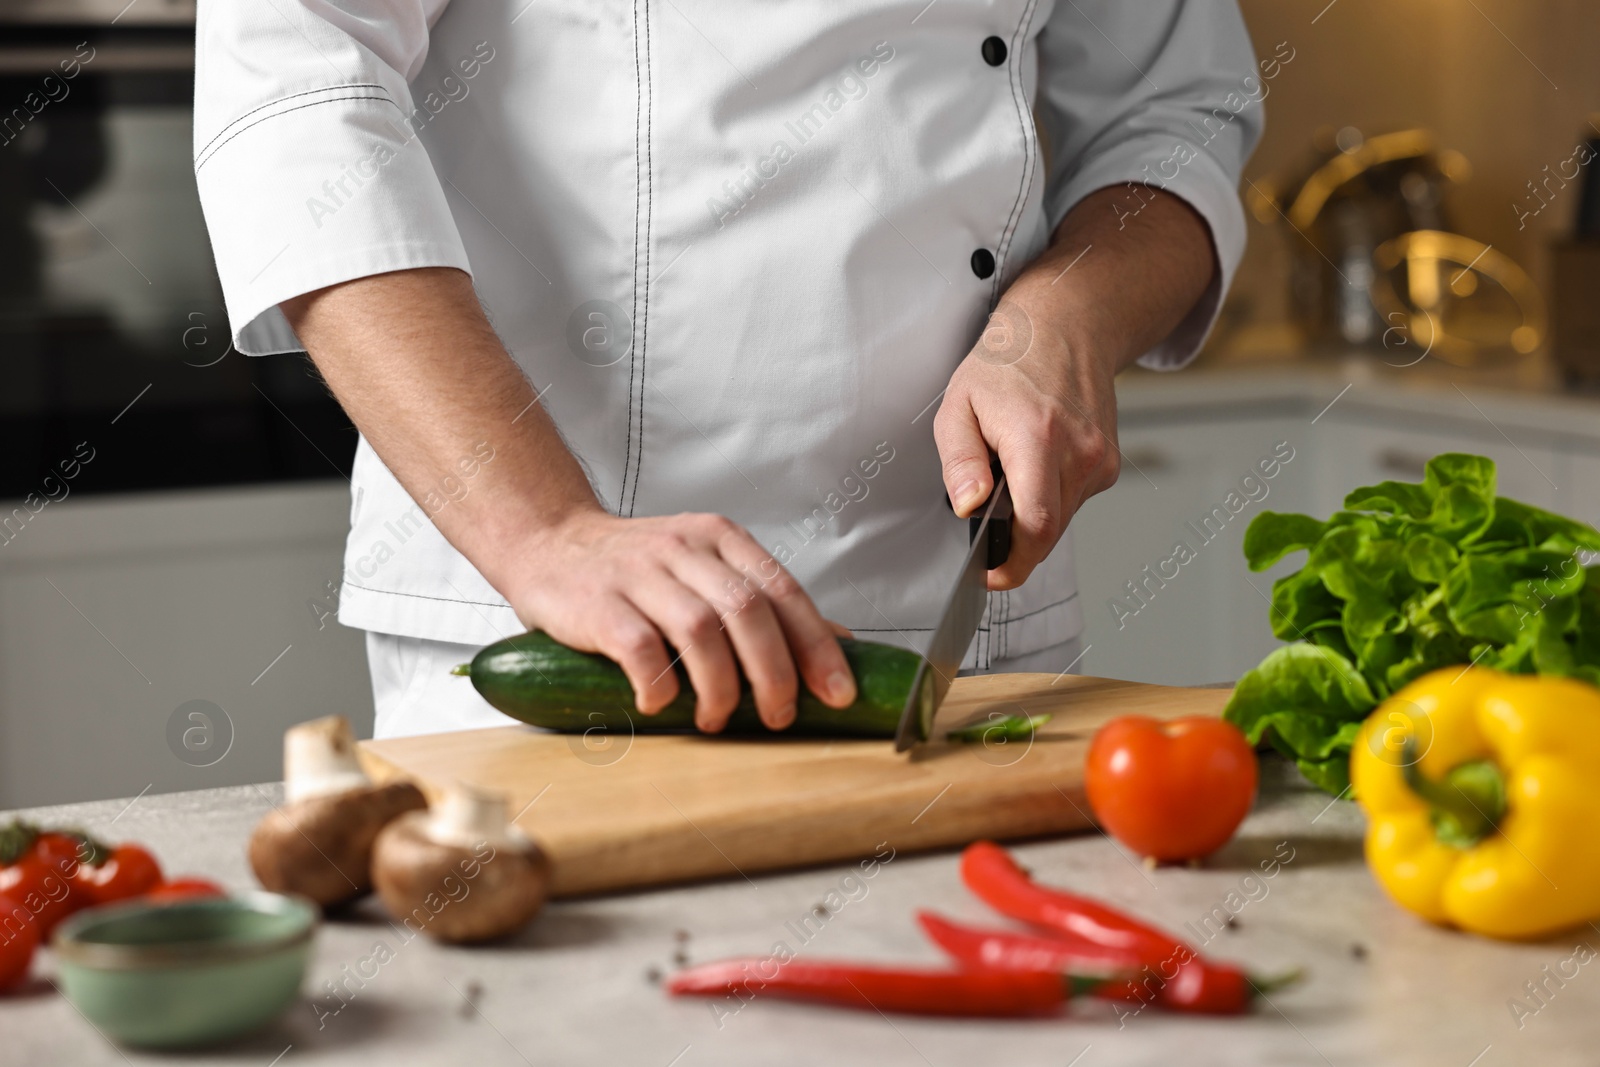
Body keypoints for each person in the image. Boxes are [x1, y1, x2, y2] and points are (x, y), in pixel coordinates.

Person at [194, 1, 1262, 739]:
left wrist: (1066, 313)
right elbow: (295, 95)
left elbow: (1174, 118)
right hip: (568, 631)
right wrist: (542, 532)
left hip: (964, 607)